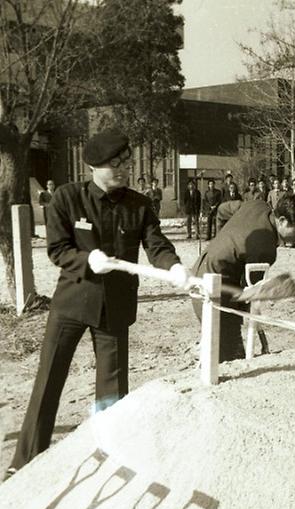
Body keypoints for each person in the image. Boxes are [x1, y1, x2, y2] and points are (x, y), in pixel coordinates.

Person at [7, 128, 191, 478]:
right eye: (113, 165)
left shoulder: (138, 204)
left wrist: (175, 267)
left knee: (112, 389)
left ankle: (110, 456)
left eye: (125, 163)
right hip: (72, 304)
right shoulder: (67, 198)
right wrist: (87, 261)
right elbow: (58, 250)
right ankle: (25, 461)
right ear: (93, 167)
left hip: (115, 308)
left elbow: (157, 244)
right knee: (49, 382)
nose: (122, 171)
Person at [192, 194, 295, 361]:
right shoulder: (265, 250)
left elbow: (222, 210)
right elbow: (248, 294)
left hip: (201, 269)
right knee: (229, 357)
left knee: (226, 342)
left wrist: (222, 239)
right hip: (214, 291)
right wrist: (272, 290)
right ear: (282, 220)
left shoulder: (256, 205)